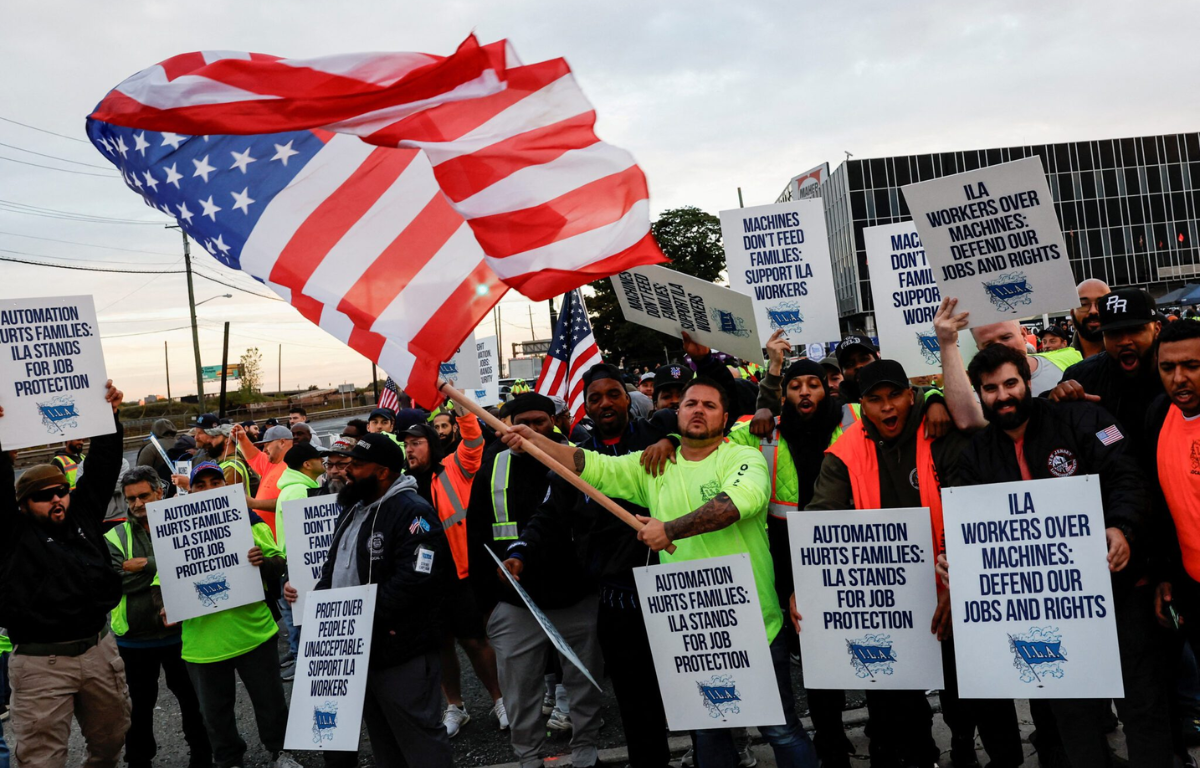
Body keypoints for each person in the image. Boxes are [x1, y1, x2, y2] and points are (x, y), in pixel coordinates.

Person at [505, 378, 819, 768]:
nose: (698, 410)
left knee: (780, 729)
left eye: (709, 404)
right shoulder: (653, 465)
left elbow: (737, 503)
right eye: (690, 404)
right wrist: (537, 443)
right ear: (676, 413)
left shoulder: (742, 458)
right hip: (692, 630)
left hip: (752, 624)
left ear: (724, 417)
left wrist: (668, 530)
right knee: (708, 730)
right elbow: (590, 465)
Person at [949, 343, 1169, 768]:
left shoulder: (1082, 418)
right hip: (1049, 611)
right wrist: (957, 559)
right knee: (1073, 716)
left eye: (1011, 383)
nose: (1003, 395)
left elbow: (1127, 476)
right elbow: (971, 526)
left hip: (1119, 592)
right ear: (979, 394)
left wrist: (1121, 528)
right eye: (990, 388)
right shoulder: (976, 455)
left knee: (1142, 707)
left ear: (1028, 382)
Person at [801, 359, 1017, 768]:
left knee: (982, 690)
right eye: (875, 400)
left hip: (957, 587)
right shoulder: (843, 452)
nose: (887, 408)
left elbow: (973, 509)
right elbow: (819, 521)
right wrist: (806, 584)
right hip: (892, 602)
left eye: (895, 396)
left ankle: (990, 754)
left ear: (911, 394)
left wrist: (962, 585)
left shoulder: (941, 432)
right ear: (861, 404)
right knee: (897, 707)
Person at [508, 364, 678, 767]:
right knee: (634, 695)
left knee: (685, 684)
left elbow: (697, 428)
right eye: (595, 397)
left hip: (666, 584)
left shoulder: (656, 436)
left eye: (613, 394)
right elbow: (549, 514)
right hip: (616, 596)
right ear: (585, 406)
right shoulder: (577, 456)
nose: (605, 403)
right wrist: (521, 551)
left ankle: (721, 753)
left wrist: (671, 438)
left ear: (628, 398)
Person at [727, 334, 856, 767]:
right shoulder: (764, 427)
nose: (805, 392)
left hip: (842, 546)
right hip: (784, 551)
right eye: (796, 386)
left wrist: (931, 395)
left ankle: (854, 735)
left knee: (845, 644)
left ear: (827, 388)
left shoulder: (850, 418)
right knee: (811, 649)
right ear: (786, 393)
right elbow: (708, 436)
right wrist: (670, 435)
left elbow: (905, 397)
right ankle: (830, 740)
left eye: (813, 385)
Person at [469, 393, 606, 768]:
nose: (531, 429)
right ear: (507, 423)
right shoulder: (493, 464)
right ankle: (528, 758)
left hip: (574, 596)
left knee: (582, 682)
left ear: (554, 422)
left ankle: (585, 753)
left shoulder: (578, 457)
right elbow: (477, 532)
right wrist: (486, 605)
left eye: (541, 421)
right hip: (514, 603)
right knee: (520, 692)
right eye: (522, 421)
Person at [1, 380, 130, 768]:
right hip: (42, 662)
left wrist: (109, 415)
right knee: (42, 760)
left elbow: (103, 467)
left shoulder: (82, 516)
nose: (56, 498)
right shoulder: (13, 534)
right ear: (24, 505)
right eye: (43, 496)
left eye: (61, 490)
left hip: (98, 650)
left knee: (111, 741)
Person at [309, 433, 456, 768]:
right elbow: (334, 566)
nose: (348, 472)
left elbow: (417, 578)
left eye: (357, 466)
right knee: (383, 740)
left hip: (400, 649)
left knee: (419, 740)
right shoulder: (353, 508)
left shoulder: (413, 511)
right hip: (355, 648)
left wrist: (361, 615)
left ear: (383, 472)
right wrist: (321, 603)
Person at [178, 462, 301, 768]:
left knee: (271, 702)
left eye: (215, 482)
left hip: (253, 632)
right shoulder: (176, 529)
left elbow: (278, 561)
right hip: (203, 644)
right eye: (200, 484)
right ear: (190, 490)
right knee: (215, 713)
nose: (208, 489)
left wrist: (263, 562)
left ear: (227, 485)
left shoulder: (250, 519)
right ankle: (229, 760)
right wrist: (162, 603)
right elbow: (162, 584)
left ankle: (280, 752)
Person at [400, 414, 508, 736]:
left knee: (475, 640)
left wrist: (461, 405)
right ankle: (455, 707)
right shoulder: (402, 484)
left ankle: (500, 700)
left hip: (460, 574)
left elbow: (474, 439)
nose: (410, 450)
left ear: (431, 445)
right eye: (406, 445)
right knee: (441, 644)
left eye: (416, 443)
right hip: (425, 582)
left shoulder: (454, 467)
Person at [106, 466, 210, 768]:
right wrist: (169, 568)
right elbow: (114, 582)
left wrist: (146, 564)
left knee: (193, 703)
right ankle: (139, 761)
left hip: (183, 634)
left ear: (159, 492)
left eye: (143, 496)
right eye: (131, 499)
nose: (137, 504)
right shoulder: (115, 535)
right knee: (137, 709)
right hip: (135, 641)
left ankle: (202, 756)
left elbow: (194, 566)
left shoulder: (181, 524)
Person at [1050, 288, 1164, 456]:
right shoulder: (1082, 377)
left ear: (1156, 329)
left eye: (1135, 330)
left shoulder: (1177, 372)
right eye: (1113, 333)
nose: (1124, 341)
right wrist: (1054, 400)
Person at [273, 442, 327, 673]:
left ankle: (297, 660)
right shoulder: (299, 490)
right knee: (299, 619)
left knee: (293, 616)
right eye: (318, 458)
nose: (322, 461)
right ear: (307, 464)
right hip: (294, 564)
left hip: (287, 562)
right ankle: (301, 663)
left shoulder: (293, 487)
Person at [232, 423, 293, 532]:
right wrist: (242, 438)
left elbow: (290, 502)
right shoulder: (272, 462)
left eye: (267, 444)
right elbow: (254, 455)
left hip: (282, 540)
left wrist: (254, 503)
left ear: (282, 442)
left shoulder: (294, 467)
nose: (264, 450)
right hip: (268, 539)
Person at [1071, 278, 1112, 359]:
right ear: (1072, 313)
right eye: (1084, 304)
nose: (1093, 311)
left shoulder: (1128, 359)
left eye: (1101, 303)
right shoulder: (1059, 363)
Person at [833, 334, 880, 403]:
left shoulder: (899, 390)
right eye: (849, 364)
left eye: (864, 359)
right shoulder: (838, 411)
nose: (858, 366)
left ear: (877, 359)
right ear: (842, 372)